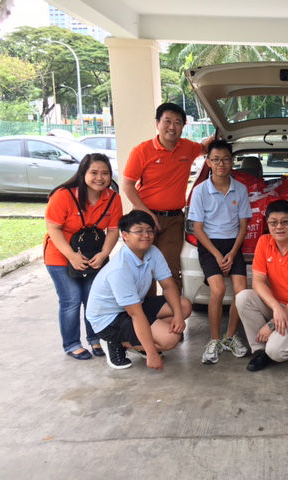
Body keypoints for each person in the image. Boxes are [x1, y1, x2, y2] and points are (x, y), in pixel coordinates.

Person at [122, 102, 213, 292]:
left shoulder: (188, 148)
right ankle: (146, 317)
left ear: (183, 125)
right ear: (157, 123)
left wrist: (220, 132)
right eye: (167, 121)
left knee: (171, 270)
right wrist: (146, 213)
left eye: (178, 122)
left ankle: (173, 316)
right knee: (141, 269)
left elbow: (205, 148)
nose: (172, 127)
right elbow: (128, 185)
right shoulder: (142, 151)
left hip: (173, 220)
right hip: (144, 218)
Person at [86, 210, 192, 370]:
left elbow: (168, 285)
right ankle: (115, 343)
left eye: (150, 230)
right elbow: (136, 314)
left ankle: (142, 338)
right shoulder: (120, 268)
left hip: (134, 305)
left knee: (183, 306)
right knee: (170, 340)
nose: (146, 235)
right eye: (139, 231)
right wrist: (152, 353)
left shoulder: (153, 252)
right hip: (109, 318)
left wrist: (177, 315)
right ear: (125, 235)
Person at [44, 153, 122, 360]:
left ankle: (96, 338)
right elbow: (53, 227)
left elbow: (114, 230)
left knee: (94, 297)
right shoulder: (64, 195)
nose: (100, 178)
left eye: (105, 173)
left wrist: (104, 253)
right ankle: (71, 344)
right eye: (94, 172)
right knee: (71, 300)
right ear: (83, 173)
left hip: (94, 254)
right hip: (61, 256)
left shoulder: (113, 198)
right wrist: (71, 256)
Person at [235, 200, 288, 372]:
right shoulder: (264, 242)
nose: (279, 227)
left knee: (276, 351)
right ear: (267, 224)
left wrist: (271, 325)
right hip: (279, 306)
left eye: (285, 222)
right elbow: (258, 281)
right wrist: (276, 307)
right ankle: (260, 351)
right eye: (273, 223)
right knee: (243, 297)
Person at [188, 140, 251, 364]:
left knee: (241, 292)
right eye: (215, 159)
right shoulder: (200, 191)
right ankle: (214, 339)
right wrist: (216, 255)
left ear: (232, 161)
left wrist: (233, 254)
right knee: (218, 289)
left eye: (225, 159)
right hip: (209, 246)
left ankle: (230, 338)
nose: (221, 164)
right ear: (208, 162)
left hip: (233, 245)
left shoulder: (240, 189)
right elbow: (197, 228)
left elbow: (243, 226)